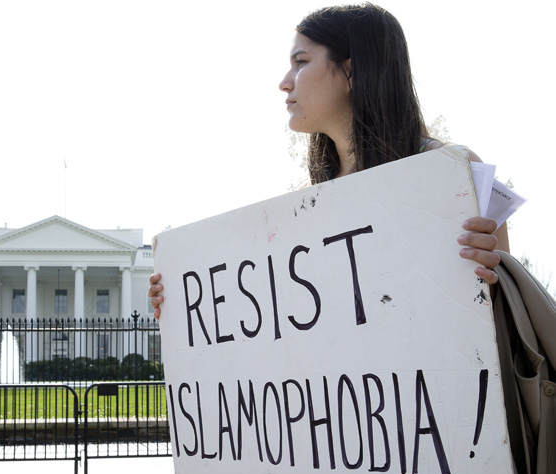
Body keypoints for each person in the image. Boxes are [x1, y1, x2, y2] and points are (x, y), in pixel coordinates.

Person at [148, 3, 509, 320]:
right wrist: (185, 301)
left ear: (351, 71)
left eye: (301, 62)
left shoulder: (452, 171)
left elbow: (506, 305)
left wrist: (491, 273)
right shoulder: (305, 200)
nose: (284, 83)